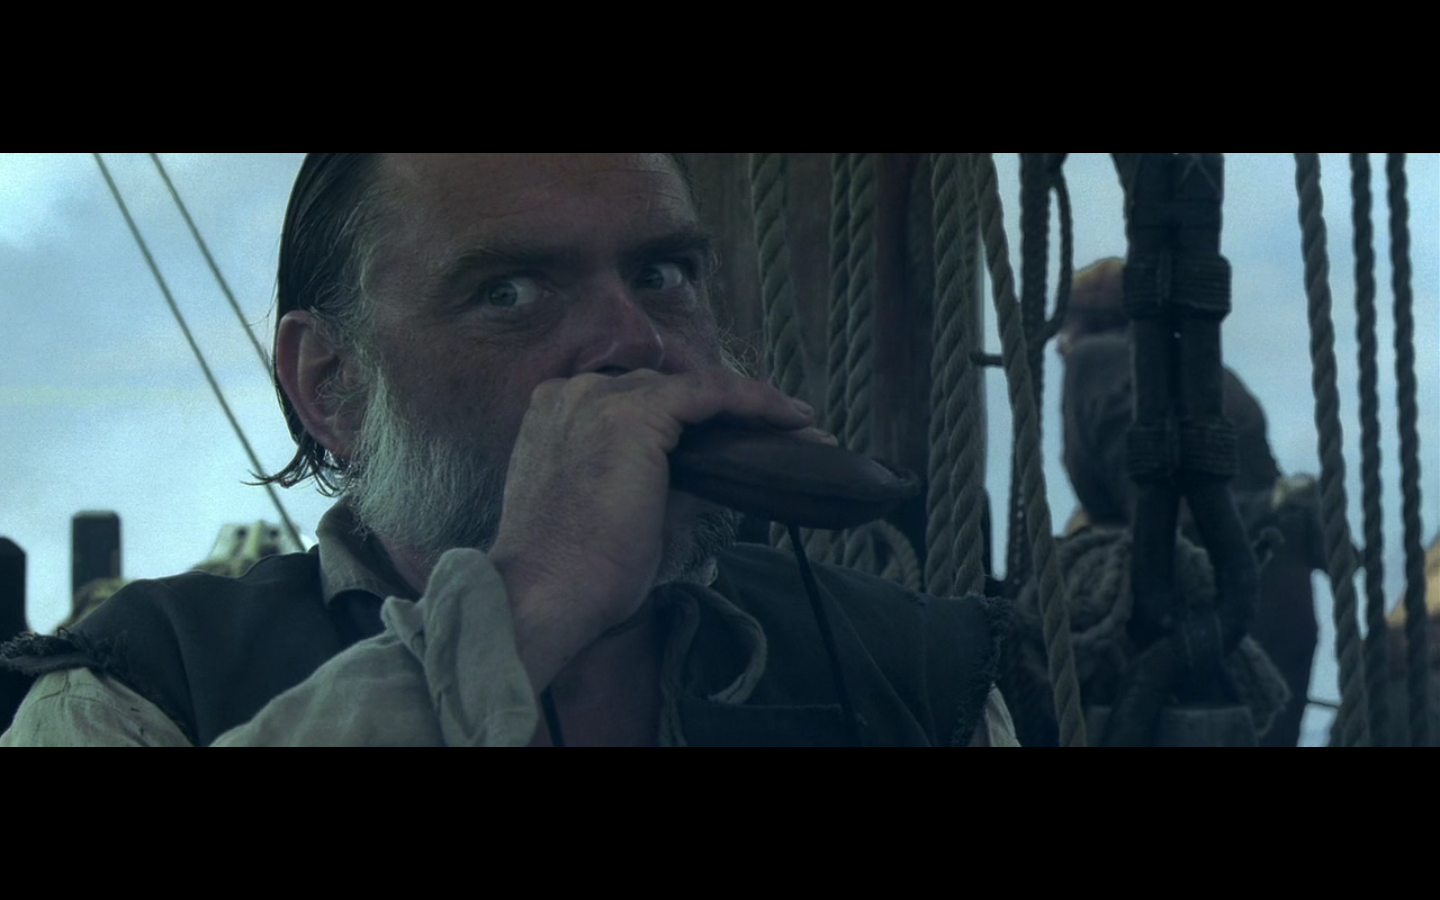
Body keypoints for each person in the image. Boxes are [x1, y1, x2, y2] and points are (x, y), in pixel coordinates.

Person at [0, 153, 1015, 747]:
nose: (634, 342)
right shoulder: (143, 692)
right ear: (331, 385)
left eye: (662, 275)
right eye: (509, 293)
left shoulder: (915, 672)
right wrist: (525, 606)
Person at [1056, 256, 1321, 747]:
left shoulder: (1098, 361)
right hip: (1276, 602)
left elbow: (1151, 504)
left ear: (1091, 320)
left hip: (1202, 606)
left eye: (1068, 323)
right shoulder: (1212, 376)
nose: (1059, 344)